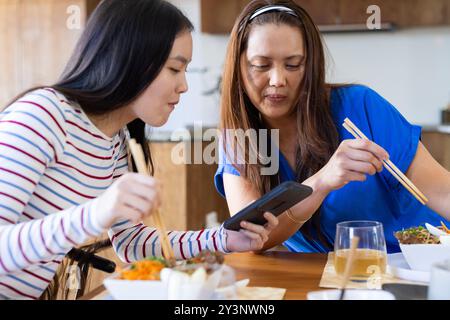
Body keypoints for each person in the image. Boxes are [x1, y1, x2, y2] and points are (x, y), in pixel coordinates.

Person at [0, 0, 278, 300]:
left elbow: (132, 244)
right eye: (175, 68)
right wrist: (94, 213)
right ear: (129, 59)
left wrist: (222, 238)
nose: (184, 86)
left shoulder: (117, 142)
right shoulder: (44, 115)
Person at [215, 0, 450, 255]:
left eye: (293, 64)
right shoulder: (240, 139)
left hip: (419, 261)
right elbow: (250, 239)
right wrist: (322, 181)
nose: (278, 80)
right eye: (261, 65)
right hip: (332, 278)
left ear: (311, 66)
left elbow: (442, 192)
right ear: (238, 66)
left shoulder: (360, 107)